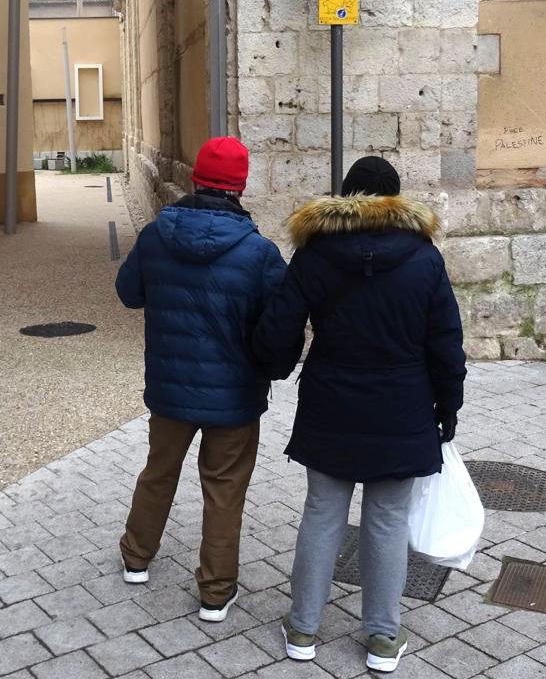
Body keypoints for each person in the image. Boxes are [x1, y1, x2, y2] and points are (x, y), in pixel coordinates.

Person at [252, 156, 466, 673]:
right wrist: (448, 408)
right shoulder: (424, 257)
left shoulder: (315, 252)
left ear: (346, 196)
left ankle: (303, 627)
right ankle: (382, 640)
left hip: (331, 399)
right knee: (388, 521)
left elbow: (282, 325)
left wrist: (273, 368)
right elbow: (446, 343)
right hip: (404, 405)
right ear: (396, 199)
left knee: (323, 513)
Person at [115, 136, 287, 622]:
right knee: (224, 487)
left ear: (196, 178)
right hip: (234, 396)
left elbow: (129, 294)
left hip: (170, 388)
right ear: (241, 186)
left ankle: (135, 557)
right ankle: (215, 592)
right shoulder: (259, 252)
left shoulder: (155, 235)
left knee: (158, 471)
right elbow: (277, 324)